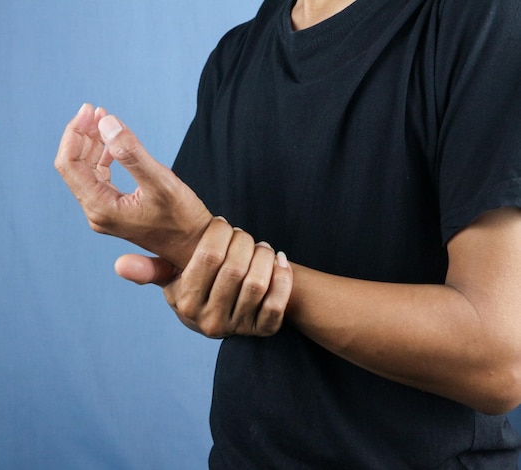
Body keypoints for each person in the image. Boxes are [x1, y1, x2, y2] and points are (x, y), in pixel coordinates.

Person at [55, 0, 521, 467]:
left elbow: (498, 360)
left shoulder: (482, 20)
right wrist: (198, 280)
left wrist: (271, 283)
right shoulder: (236, 54)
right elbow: (205, 281)